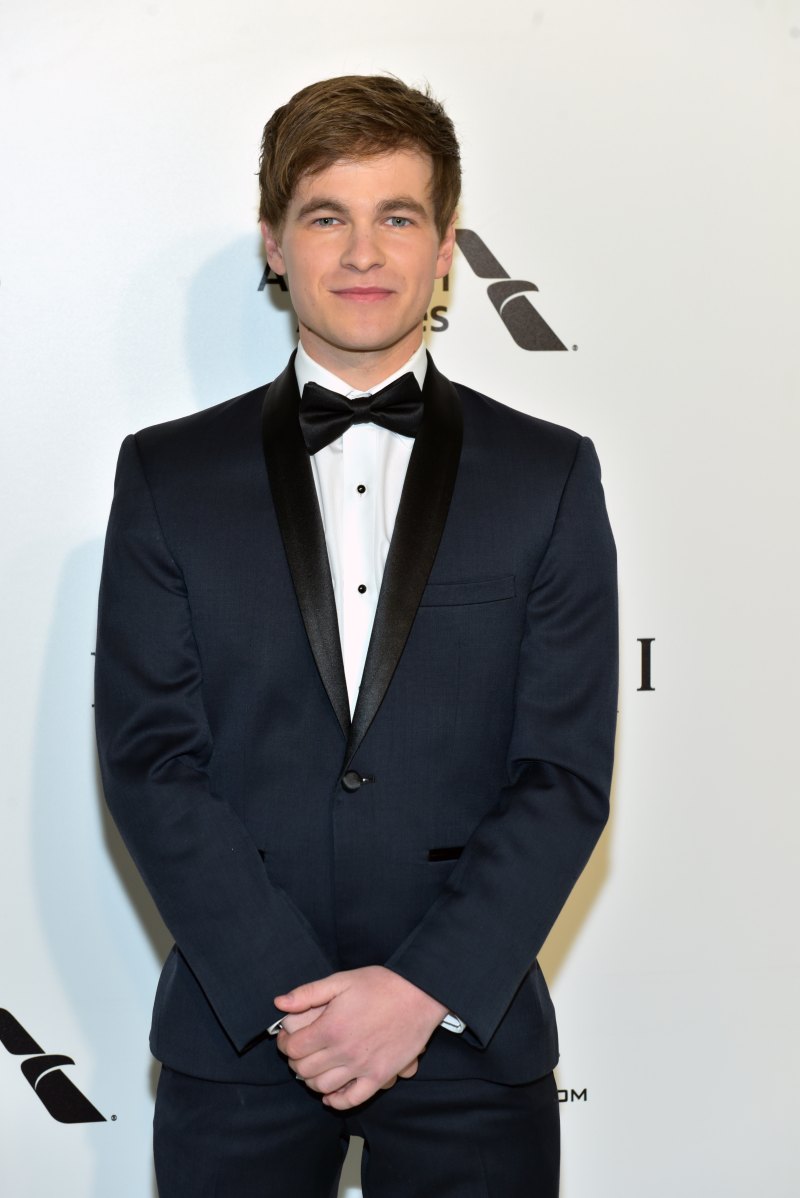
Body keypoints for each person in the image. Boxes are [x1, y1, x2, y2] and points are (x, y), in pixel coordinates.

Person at [95, 74, 618, 1197]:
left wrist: (419, 990)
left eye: (398, 216)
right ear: (274, 243)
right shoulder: (166, 475)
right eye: (328, 216)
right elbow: (150, 761)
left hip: (469, 1033)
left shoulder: (549, 476)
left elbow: (563, 773)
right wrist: (292, 996)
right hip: (242, 1032)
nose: (364, 252)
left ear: (446, 249)